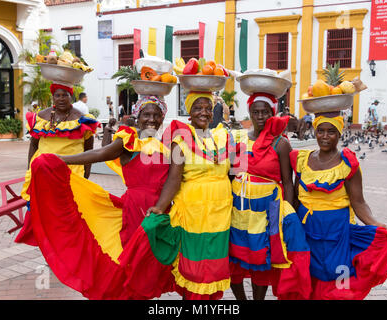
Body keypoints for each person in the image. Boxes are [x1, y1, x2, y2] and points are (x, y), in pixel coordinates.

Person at [21, 95, 171, 299]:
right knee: (133, 266)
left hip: (161, 214)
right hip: (136, 213)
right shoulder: (129, 140)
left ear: (163, 117)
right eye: (146, 114)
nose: (151, 119)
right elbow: (101, 153)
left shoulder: (167, 144)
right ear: (137, 116)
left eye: (156, 115)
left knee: (152, 267)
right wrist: (61, 159)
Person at [121, 91, 233, 300]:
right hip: (193, 212)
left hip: (220, 214)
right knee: (195, 265)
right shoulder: (180, 137)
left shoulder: (223, 136)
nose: (204, 112)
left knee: (214, 264)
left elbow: (234, 172)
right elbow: (174, 177)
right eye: (198, 108)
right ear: (189, 112)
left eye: (208, 108)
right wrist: (161, 207)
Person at [290, 114, 387, 300]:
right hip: (306, 231)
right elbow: (295, 198)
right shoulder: (302, 160)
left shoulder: (348, 165)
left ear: (340, 135)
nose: (325, 136)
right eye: (320, 131)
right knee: (308, 274)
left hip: (337, 234)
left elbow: (359, 202)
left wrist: (376, 223)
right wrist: (288, 227)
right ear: (314, 132)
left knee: (338, 276)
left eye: (331, 132)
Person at [228, 92, 311, 300]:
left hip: (267, 211)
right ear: (249, 113)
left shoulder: (280, 143)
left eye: (265, 112)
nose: (260, 116)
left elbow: (287, 181)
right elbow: (230, 174)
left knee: (260, 258)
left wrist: (287, 211)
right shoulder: (239, 139)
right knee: (233, 258)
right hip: (238, 209)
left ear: (272, 113)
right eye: (255, 112)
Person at [15, 83, 100, 246]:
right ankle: (49, 247)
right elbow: (34, 144)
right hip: (43, 172)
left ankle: (67, 247)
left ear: (71, 97)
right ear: (53, 97)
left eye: (65, 95)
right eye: (57, 95)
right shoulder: (41, 117)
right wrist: (30, 168)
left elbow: (88, 149)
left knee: (69, 214)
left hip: (71, 173)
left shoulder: (82, 119)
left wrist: (86, 175)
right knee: (43, 212)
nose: (61, 99)